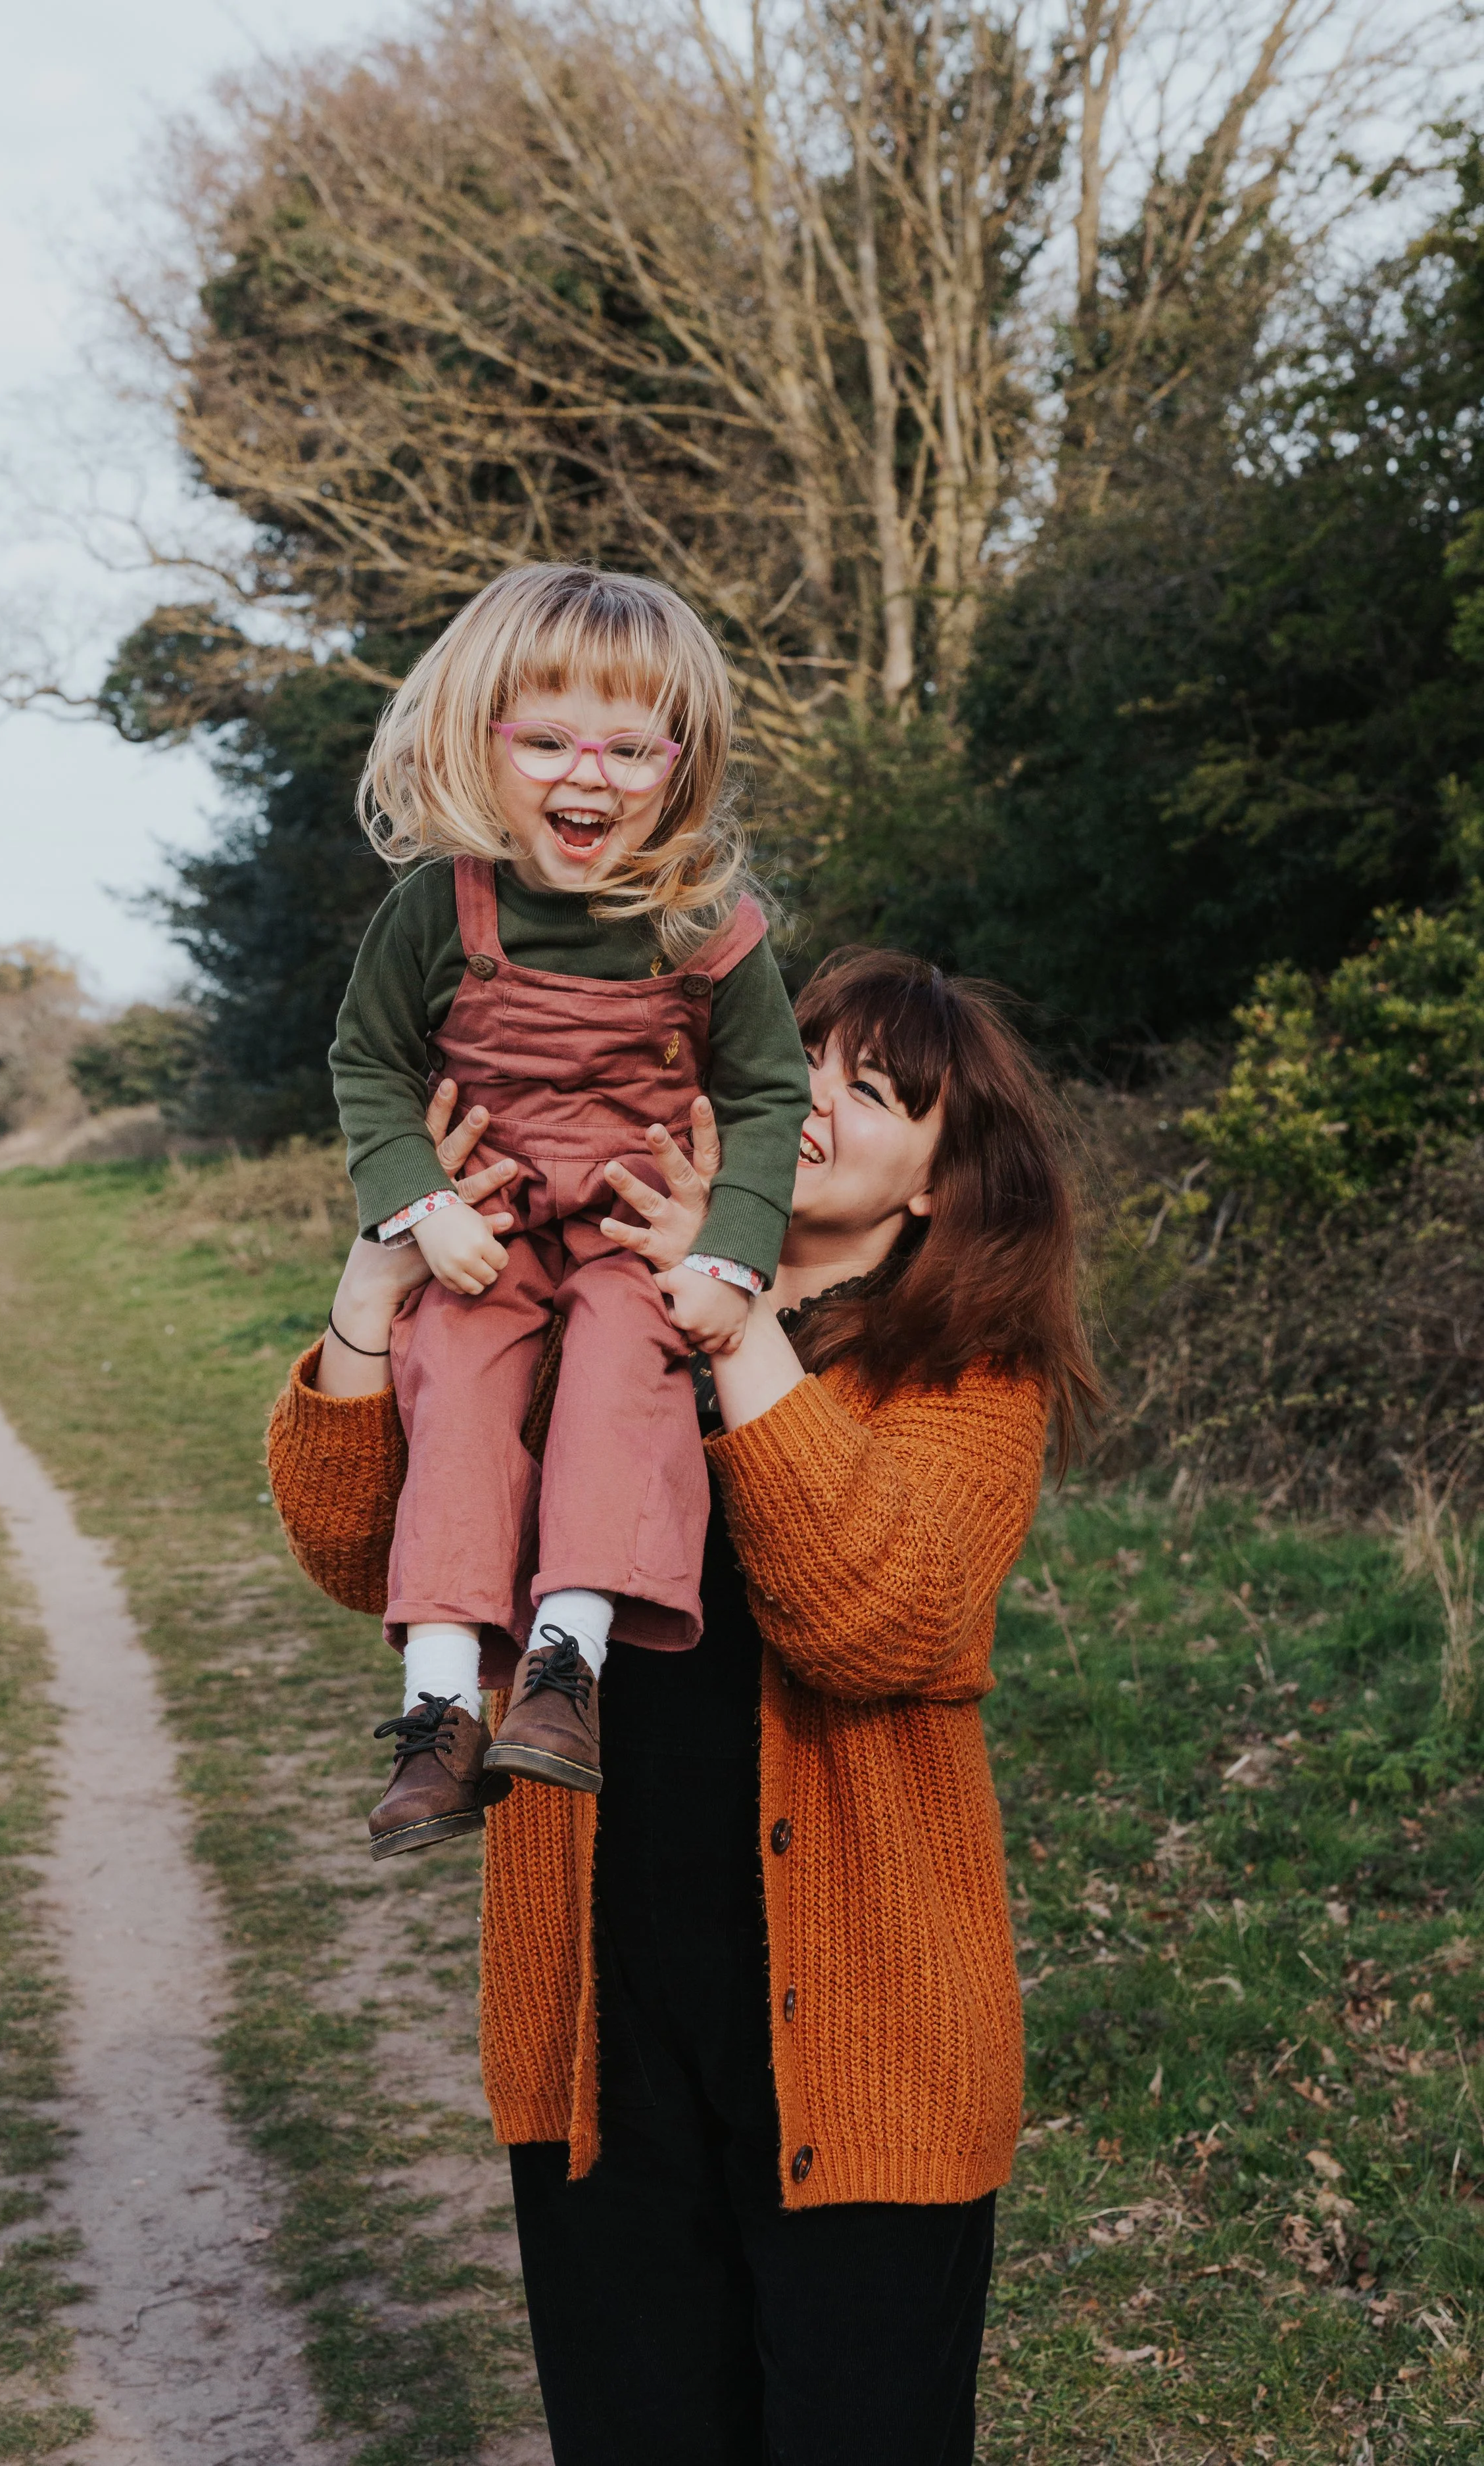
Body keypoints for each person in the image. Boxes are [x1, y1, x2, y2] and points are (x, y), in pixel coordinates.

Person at [268, 947, 1098, 2465]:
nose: (825, 1107)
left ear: (934, 1182)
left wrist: (737, 1328)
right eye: (813, 1070)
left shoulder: (965, 1370)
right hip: (601, 2027)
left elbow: (889, 1623)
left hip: (869, 2048)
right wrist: (376, 1291)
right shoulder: (589, 1309)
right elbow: (355, 1548)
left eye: (878, 1093)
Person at [329, 563, 811, 1850]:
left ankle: (564, 1672)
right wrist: (415, 1206)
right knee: (458, 1386)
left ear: (682, 758)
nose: (584, 778)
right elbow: (370, 1066)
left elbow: (768, 1097)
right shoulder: (437, 910)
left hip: (626, 1235)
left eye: (626, 748)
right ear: (477, 742)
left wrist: (731, 1256)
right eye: (544, 742)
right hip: (481, 1236)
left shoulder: (704, 927)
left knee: (618, 1377)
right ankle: (437, 1710)